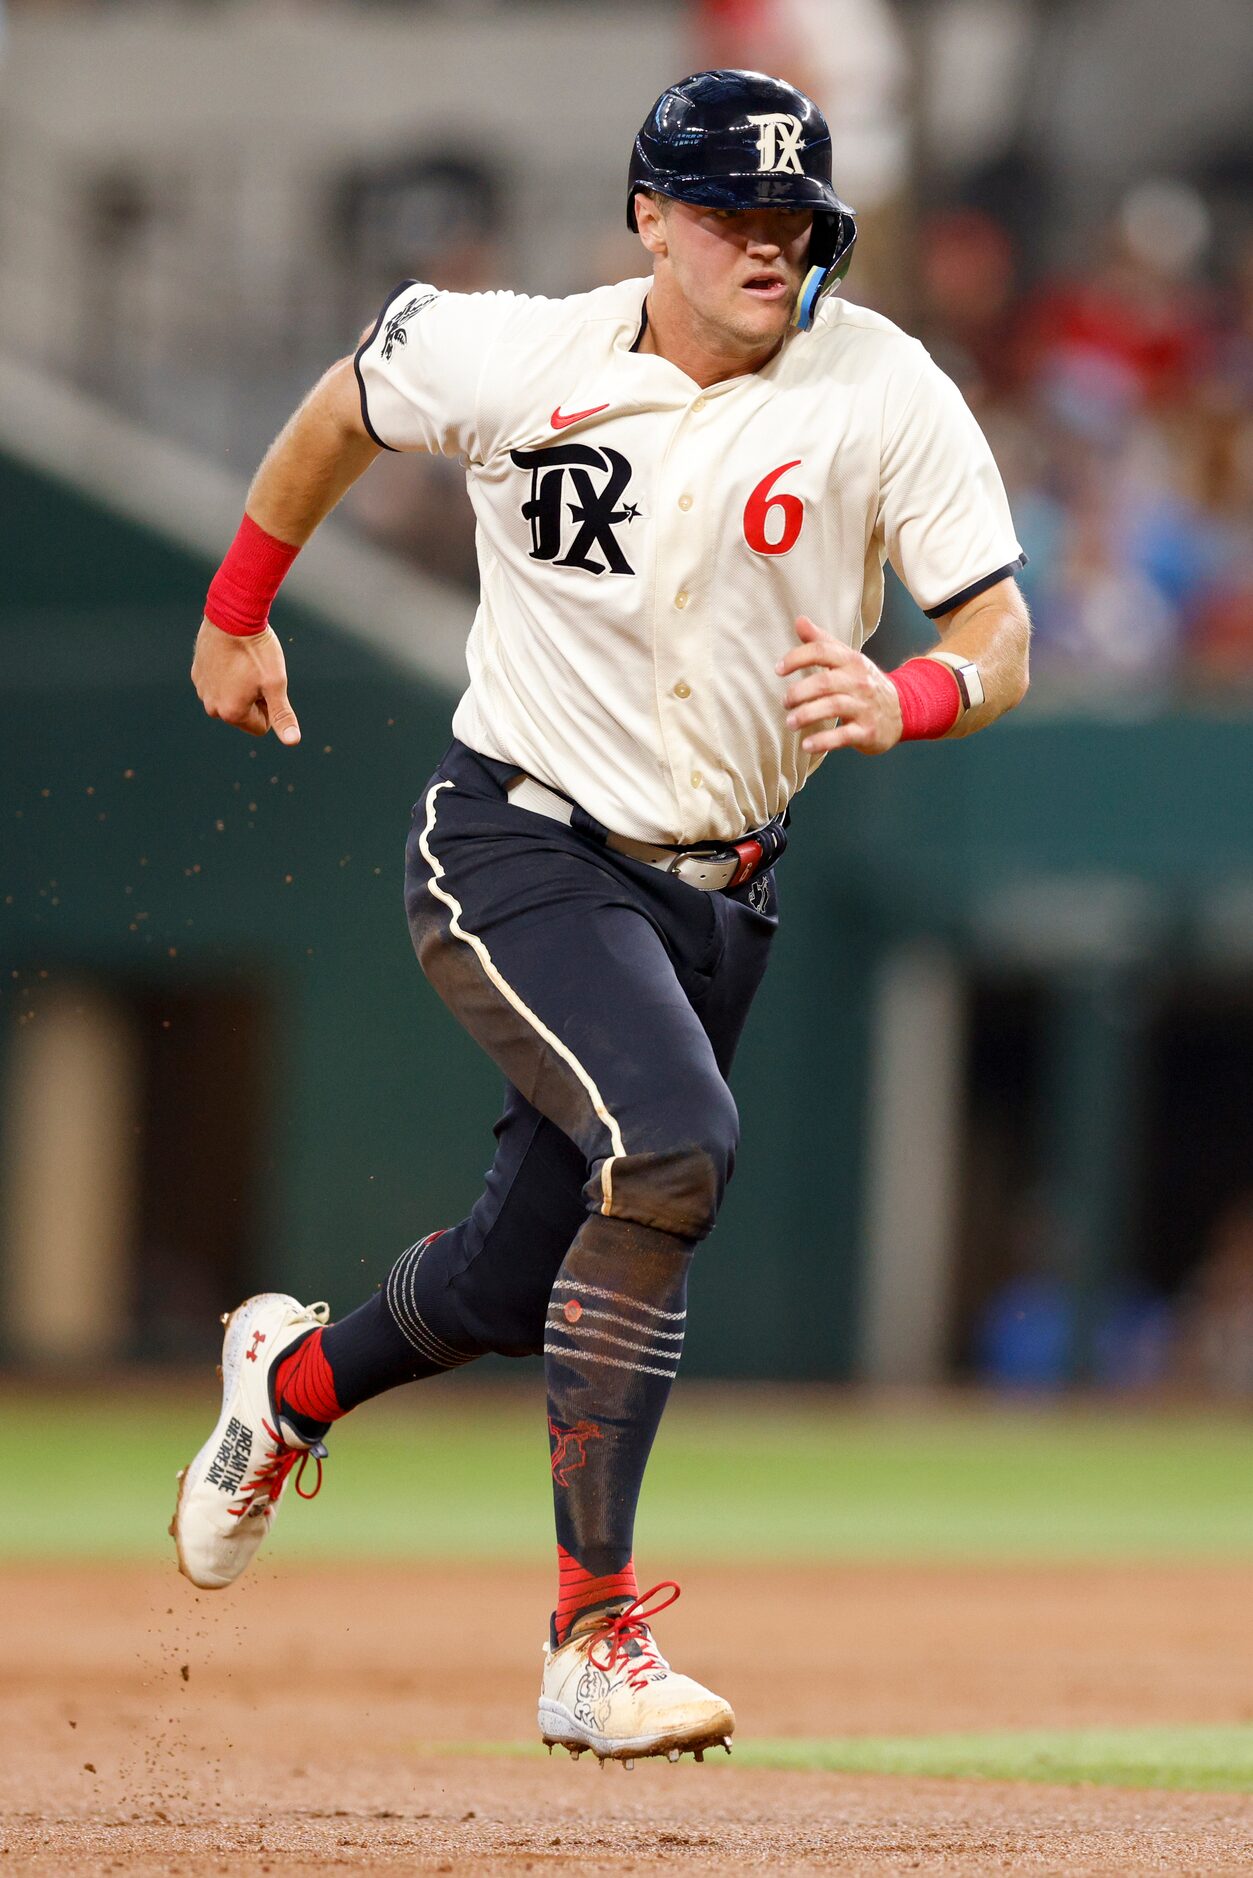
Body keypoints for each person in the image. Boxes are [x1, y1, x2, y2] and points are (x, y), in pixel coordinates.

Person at [174, 70, 1030, 1767]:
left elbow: (997, 628)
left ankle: (289, 1392)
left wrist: (916, 693)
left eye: (792, 221)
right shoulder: (517, 353)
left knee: (509, 1274)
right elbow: (346, 404)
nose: (766, 247)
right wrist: (235, 606)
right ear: (649, 215)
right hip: (518, 839)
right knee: (676, 1146)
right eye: (728, 214)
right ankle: (589, 1637)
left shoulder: (879, 385)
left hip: (721, 890)